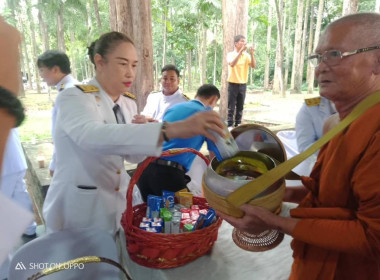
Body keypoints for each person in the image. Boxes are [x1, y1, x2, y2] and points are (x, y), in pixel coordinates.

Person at [218, 13, 380, 279]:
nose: (320, 68)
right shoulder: (335, 123)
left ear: (378, 61)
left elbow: (372, 237)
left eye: (335, 54)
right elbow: (326, 194)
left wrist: (275, 222)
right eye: (319, 58)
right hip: (313, 262)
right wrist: (273, 194)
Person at [42, 31, 224, 236]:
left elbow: (133, 155)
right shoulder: (74, 97)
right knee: (80, 266)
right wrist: (171, 129)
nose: (130, 73)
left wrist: (144, 131)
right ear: (100, 62)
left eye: (134, 65)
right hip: (79, 210)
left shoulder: (127, 102)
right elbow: (91, 136)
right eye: (123, 64)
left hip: (116, 205)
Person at [138, 84, 220, 201]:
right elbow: (213, 159)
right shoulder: (208, 118)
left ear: (196, 95)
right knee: (187, 216)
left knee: (152, 217)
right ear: (213, 100)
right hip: (169, 175)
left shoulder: (174, 108)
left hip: (144, 170)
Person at [37, 50, 78, 177]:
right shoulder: (72, 87)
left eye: (42, 70)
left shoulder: (69, 92)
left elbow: (63, 133)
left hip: (72, 161)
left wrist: (55, 163)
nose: (41, 75)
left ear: (55, 69)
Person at [226, 35, 256, 128]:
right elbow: (232, 64)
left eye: (244, 42)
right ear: (236, 43)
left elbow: (253, 65)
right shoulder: (230, 54)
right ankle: (230, 125)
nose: (244, 43)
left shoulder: (246, 56)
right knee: (231, 106)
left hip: (243, 84)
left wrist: (251, 53)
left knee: (240, 106)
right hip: (233, 83)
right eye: (242, 41)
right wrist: (240, 52)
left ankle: (238, 124)